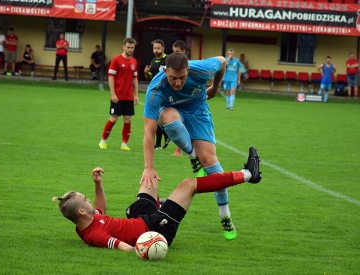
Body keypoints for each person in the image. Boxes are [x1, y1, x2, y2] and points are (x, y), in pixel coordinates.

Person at [52, 147, 262, 251]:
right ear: (81, 211)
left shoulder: (87, 222)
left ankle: (159, 207)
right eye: (86, 200)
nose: (89, 202)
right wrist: (151, 248)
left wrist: (98, 185)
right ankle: (247, 175)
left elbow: (101, 211)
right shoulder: (94, 235)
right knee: (189, 184)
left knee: (149, 180)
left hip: (139, 218)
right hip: (153, 229)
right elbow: (125, 247)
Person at [141, 53, 240, 241]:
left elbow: (222, 61)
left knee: (210, 162)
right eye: (173, 78)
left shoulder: (201, 69)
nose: (178, 83)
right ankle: (191, 154)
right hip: (174, 114)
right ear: (165, 71)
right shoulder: (156, 88)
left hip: (198, 112)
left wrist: (215, 87)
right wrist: (149, 167)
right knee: (166, 116)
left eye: (182, 78)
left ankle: (225, 215)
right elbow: (149, 132)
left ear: (188, 70)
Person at [98, 38, 139, 151]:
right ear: (123, 47)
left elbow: (134, 79)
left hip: (128, 97)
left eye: (132, 48)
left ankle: (124, 144)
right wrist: (113, 94)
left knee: (127, 120)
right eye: (128, 47)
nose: (130, 49)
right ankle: (103, 141)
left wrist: (136, 95)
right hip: (118, 96)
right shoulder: (116, 60)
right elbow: (111, 77)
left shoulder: (134, 62)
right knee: (113, 119)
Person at [144, 39, 170, 150]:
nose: (156, 50)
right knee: (156, 118)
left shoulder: (168, 59)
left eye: (158, 48)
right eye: (154, 48)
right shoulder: (153, 60)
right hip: (155, 92)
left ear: (163, 48)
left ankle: (165, 137)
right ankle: (160, 142)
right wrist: (146, 72)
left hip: (166, 92)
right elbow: (149, 77)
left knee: (162, 118)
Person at [171, 40, 188, 157]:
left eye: (177, 52)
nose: (175, 55)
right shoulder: (172, 65)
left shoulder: (190, 66)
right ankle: (180, 150)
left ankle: (182, 150)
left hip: (188, 101)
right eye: (173, 52)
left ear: (184, 51)